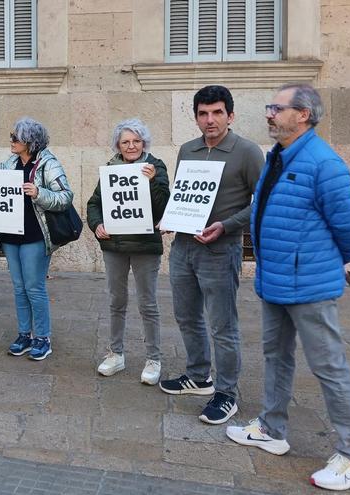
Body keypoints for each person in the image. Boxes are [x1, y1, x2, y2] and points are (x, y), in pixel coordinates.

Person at [226, 83, 350, 491]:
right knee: (276, 356)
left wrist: (319, 264)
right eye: (270, 107)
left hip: (309, 286)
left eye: (277, 108)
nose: (269, 113)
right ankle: (271, 429)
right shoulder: (278, 155)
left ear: (303, 114)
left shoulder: (324, 163)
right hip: (275, 280)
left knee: (329, 367)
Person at [159, 85, 264, 425]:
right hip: (183, 247)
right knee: (186, 316)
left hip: (220, 250)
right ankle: (198, 376)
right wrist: (171, 218)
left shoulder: (247, 152)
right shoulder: (187, 150)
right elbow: (184, 194)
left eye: (217, 112)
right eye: (203, 113)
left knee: (222, 325)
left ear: (230, 116)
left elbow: (263, 201)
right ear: (196, 117)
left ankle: (227, 393)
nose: (210, 120)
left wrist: (227, 225)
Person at [0, 117, 74, 361]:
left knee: (34, 287)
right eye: (12, 136)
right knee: (19, 287)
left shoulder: (48, 164)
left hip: (35, 235)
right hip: (10, 234)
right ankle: (24, 334)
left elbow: (65, 197)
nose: (11, 141)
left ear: (30, 141)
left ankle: (43, 337)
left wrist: (39, 193)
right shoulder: (10, 163)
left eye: (16, 138)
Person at [86, 118, 170, 382]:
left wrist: (153, 181)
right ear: (118, 145)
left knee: (148, 303)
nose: (131, 146)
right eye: (126, 142)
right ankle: (116, 354)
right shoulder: (111, 168)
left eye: (136, 141)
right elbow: (94, 203)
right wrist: (97, 224)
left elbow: (164, 206)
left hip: (145, 245)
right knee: (116, 301)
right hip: (115, 245)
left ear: (144, 143)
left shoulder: (155, 166)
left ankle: (153, 359)